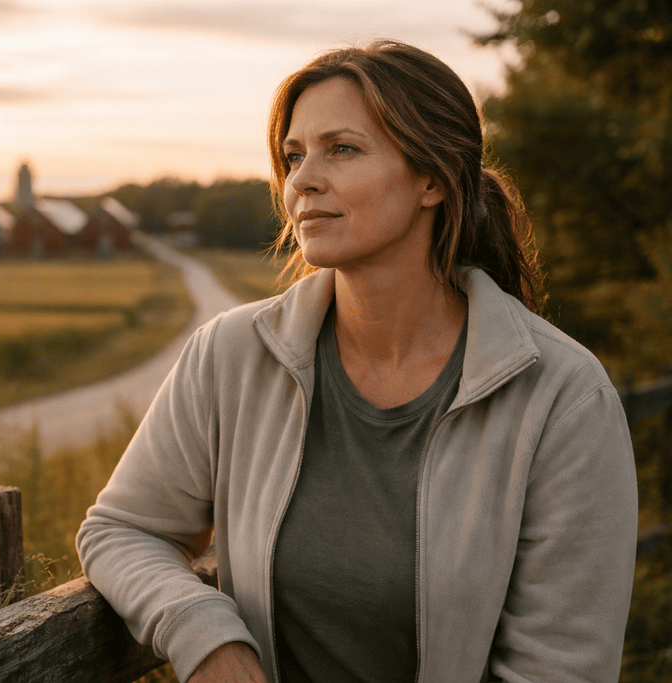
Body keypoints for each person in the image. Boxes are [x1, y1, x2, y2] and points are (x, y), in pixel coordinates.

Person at [76, 40, 638, 683]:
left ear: (432, 178)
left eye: (341, 149)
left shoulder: (562, 397)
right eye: (294, 156)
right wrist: (203, 633)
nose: (303, 180)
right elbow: (121, 530)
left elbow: (560, 668)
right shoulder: (228, 356)